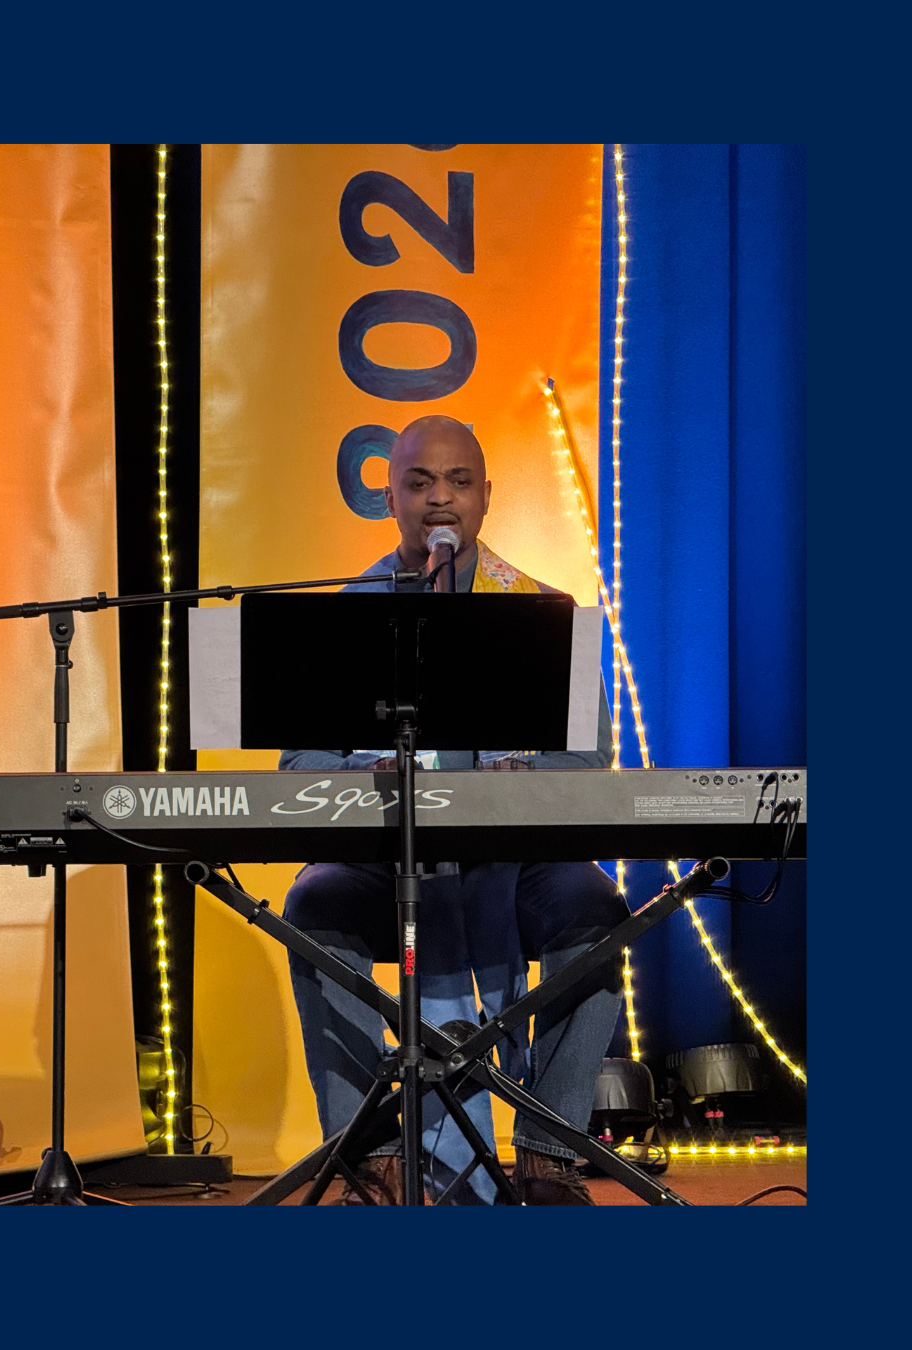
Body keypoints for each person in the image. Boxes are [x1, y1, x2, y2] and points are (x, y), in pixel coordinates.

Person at [281, 415, 628, 1204]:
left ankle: (549, 1152)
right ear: (390, 499)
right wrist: (373, 768)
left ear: (486, 497)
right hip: (388, 858)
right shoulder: (345, 616)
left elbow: (586, 761)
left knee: (595, 907)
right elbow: (301, 763)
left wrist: (517, 772)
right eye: (419, 482)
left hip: (513, 862)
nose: (440, 497)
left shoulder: (541, 610)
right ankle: (372, 1157)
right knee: (314, 904)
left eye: (459, 481)